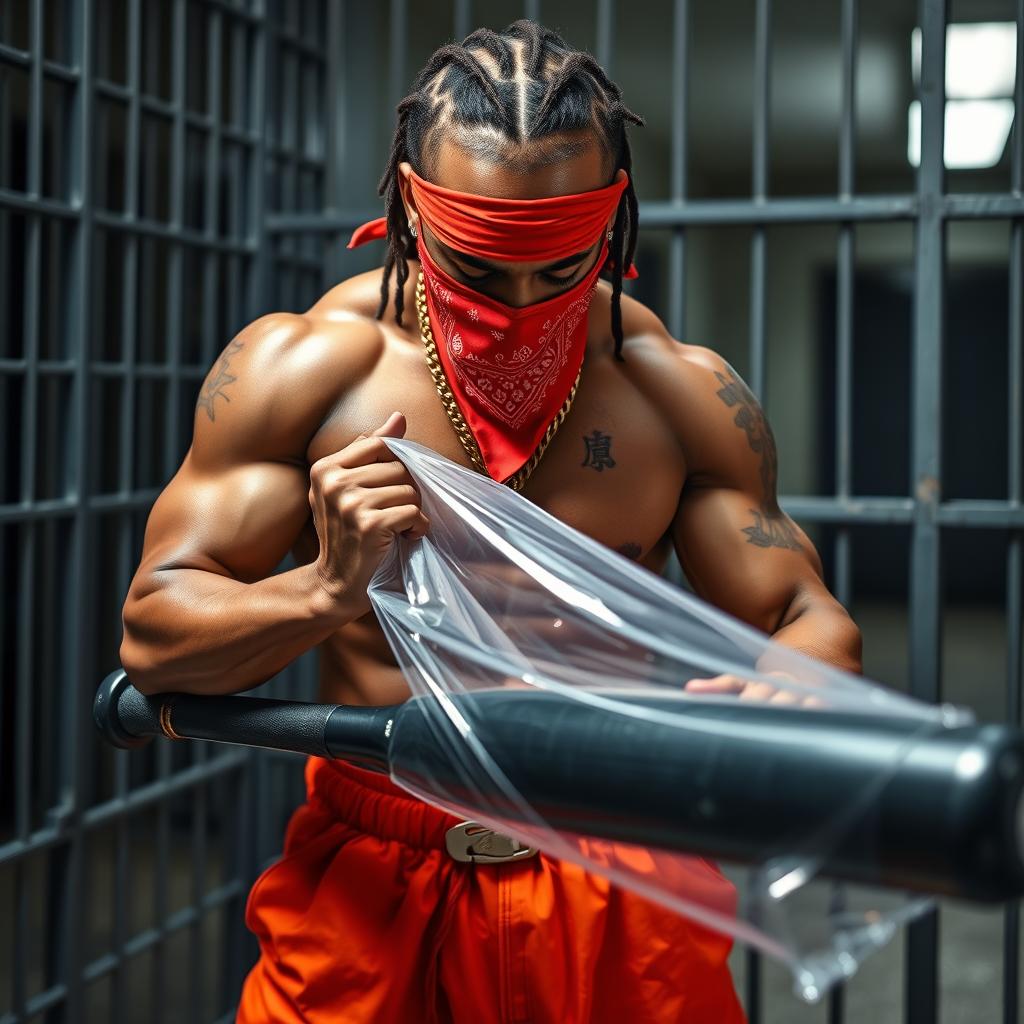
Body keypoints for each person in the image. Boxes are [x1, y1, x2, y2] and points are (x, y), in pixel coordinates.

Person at [119, 20, 862, 1024]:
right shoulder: (302, 371)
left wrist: (791, 685)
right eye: (477, 269)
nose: (516, 309)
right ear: (409, 213)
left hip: (616, 867)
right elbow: (154, 640)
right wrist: (324, 588)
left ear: (611, 228)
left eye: (557, 272)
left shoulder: (674, 392)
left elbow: (808, 615)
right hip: (375, 874)